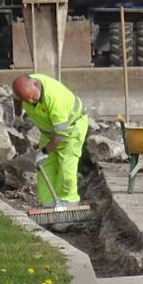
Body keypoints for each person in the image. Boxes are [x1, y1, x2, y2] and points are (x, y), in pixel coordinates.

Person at [12, 74, 89, 207]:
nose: (30, 102)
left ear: (36, 85)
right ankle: (48, 206)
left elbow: (61, 134)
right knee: (44, 168)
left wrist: (44, 152)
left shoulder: (54, 98)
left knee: (66, 170)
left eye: (33, 98)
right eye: (27, 100)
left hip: (71, 130)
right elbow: (16, 98)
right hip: (50, 133)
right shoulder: (24, 88)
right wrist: (18, 116)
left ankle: (68, 207)